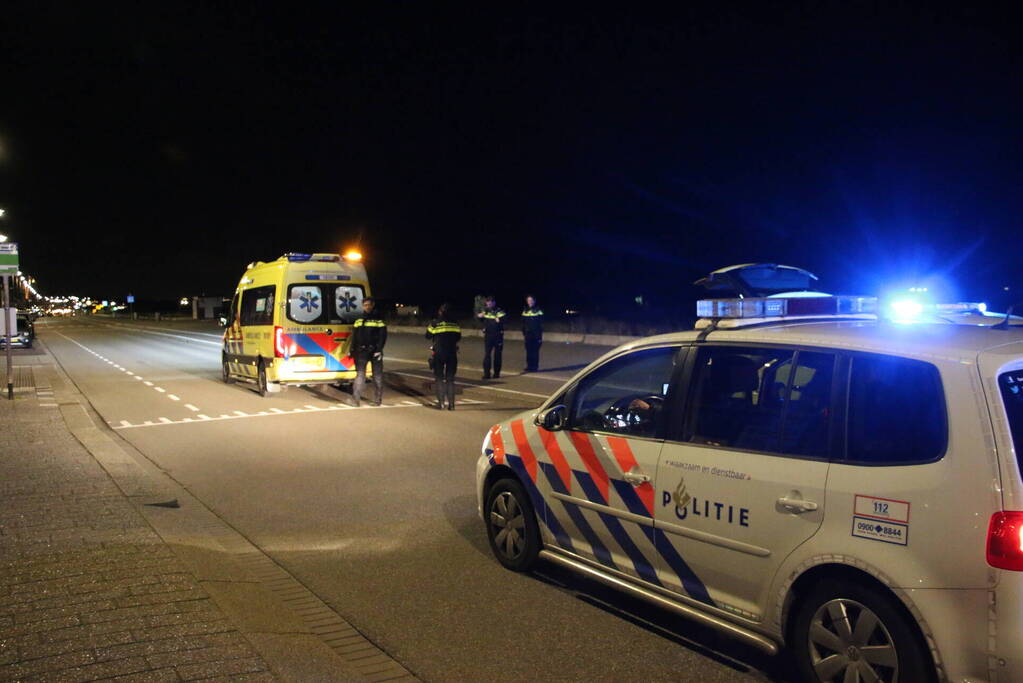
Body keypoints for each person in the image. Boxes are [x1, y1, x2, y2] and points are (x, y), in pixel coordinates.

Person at [350, 297, 387, 406]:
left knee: (377, 376)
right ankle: (356, 399)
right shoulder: (359, 319)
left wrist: (379, 350)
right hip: (362, 351)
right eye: (365, 305)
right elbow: (355, 336)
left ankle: (378, 399)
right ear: (363, 306)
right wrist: (352, 349)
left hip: (375, 351)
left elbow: (383, 336)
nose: (367, 307)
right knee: (360, 375)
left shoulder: (379, 320)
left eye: (369, 305)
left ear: (373, 305)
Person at [426, 303, 461, 410]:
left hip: (439, 354)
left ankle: (441, 403)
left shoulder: (434, 323)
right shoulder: (455, 324)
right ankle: (452, 405)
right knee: (450, 380)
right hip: (452, 354)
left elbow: (427, 336)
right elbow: (458, 337)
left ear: (440, 312)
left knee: (439, 378)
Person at [476, 295, 505, 379]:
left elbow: (504, 320)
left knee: (497, 355)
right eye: (487, 304)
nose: (488, 305)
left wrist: (499, 320)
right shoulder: (485, 311)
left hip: (498, 336)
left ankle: (496, 373)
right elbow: (480, 320)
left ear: (494, 303)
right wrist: (479, 316)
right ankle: (487, 374)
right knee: (487, 355)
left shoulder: (499, 311)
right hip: (488, 336)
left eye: (490, 304)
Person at [521, 295, 543, 372]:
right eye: (528, 300)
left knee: (535, 351)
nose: (529, 302)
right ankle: (529, 366)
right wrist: (524, 332)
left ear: (534, 301)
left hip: (536, 334)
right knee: (528, 351)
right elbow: (523, 323)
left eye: (531, 300)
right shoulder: (525, 310)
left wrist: (539, 336)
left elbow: (541, 323)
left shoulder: (538, 310)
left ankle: (535, 367)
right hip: (528, 334)